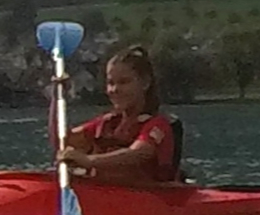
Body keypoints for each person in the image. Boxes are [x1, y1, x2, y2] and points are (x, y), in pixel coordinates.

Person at [62, 43, 180, 185]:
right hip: (105, 198)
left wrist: (89, 161)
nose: (115, 89)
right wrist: (59, 96)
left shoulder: (158, 125)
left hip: (147, 200)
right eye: (111, 83)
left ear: (145, 83)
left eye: (124, 82)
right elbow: (63, 140)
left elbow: (138, 153)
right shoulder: (106, 124)